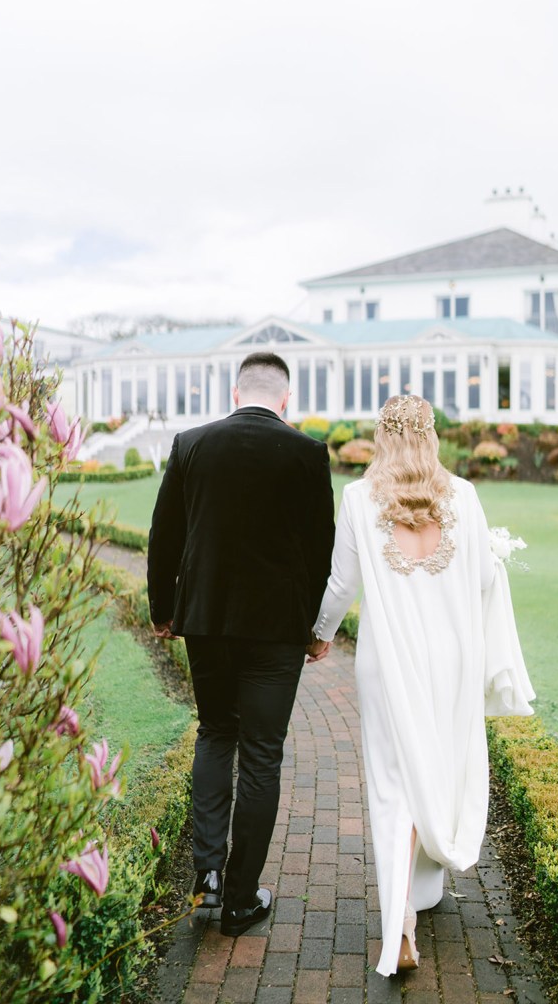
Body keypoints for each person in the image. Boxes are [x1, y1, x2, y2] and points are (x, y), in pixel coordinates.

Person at [307, 395, 534, 976]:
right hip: (452, 661)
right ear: (431, 436)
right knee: (436, 764)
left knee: (391, 785)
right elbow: (483, 576)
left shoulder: (359, 498)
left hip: (388, 663)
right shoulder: (464, 495)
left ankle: (402, 918)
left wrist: (319, 634)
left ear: (382, 436)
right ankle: (418, 893)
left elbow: (340, 583)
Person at [147, 351, 335, 937]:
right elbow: (320, 549)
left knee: (215, 731)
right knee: (261, 753)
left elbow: (164, 535)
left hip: (204, 620)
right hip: (277, 628)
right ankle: (239, 896)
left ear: (235, 392)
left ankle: (206, 875)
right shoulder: (307, 452)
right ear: (285, 399)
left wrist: (162, 610)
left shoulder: (191, 444)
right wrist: (313, 626)